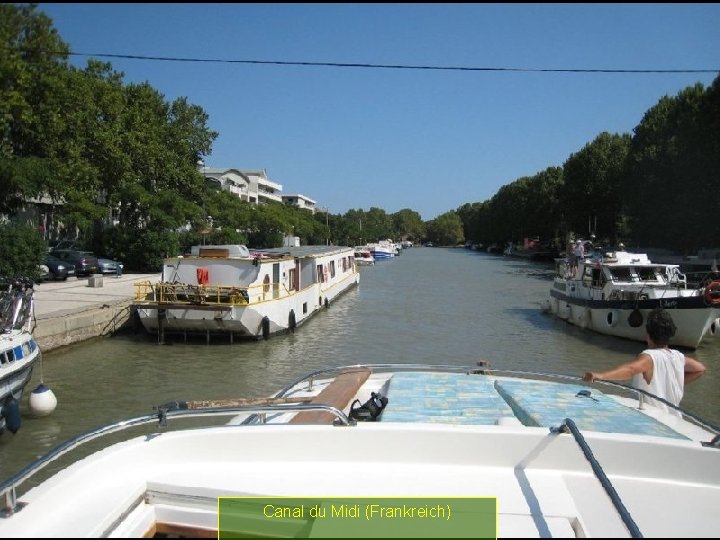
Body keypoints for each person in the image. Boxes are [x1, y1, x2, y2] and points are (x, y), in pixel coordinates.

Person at [582, 308, 706, 415]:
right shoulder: (678, 356)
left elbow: (630, 370)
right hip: (673, 417)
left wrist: (599, 376)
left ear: (647, 333)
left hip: (652, 417)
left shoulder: (649, 357)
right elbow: (700, 369)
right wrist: (677, 382)